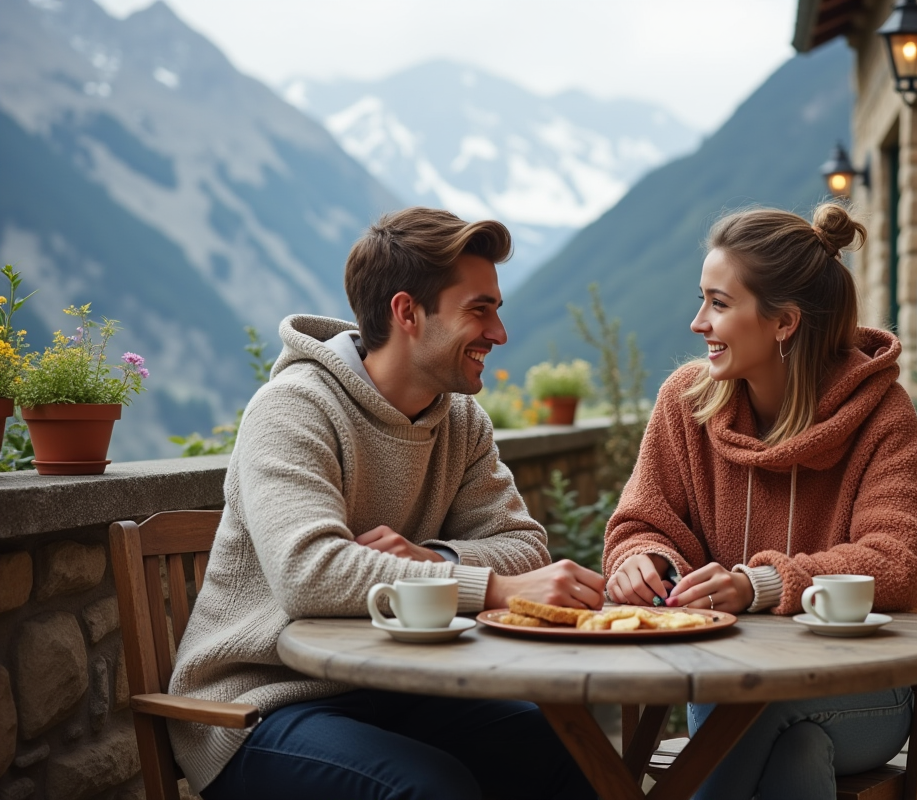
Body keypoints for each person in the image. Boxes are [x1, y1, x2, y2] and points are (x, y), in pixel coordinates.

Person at [169, 207, 602, 800]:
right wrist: (493, 590)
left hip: (394, 688)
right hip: (258, 708)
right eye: (481, 309)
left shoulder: (462, 421)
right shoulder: (293, 408)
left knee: (568, 748)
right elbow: (310, 575)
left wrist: (432, 558)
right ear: (407, 313)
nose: (499, 334)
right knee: (429, 790)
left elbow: (525, 548)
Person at [603, 204, 917, 800]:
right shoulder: (687, 402)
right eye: (702, 299)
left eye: (719, 303)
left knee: (771, 710)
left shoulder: (880, 412)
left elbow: (898, 561)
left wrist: (762, 584)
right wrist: (644, 562)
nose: (698, 321)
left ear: (783, 322)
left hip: (859, 693)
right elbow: (640, 521)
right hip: (728, 683)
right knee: (800, 755)